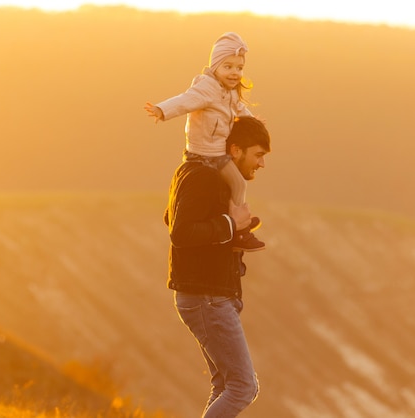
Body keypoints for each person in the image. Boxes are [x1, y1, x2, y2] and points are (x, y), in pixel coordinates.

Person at [164, 116, 271, 418]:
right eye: (258, 155)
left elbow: (170, 217)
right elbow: (180, 232)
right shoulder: (203, 176)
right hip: (207, 297)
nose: (261, 164)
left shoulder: (201, 175)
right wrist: (229, 223)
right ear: (235, 150)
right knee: (243, 387)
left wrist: (231, 228)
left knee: (225, 384)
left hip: (209, 296)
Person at [146, 32, 265, 252]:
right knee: (237, 183)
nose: (234, 73)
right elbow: (185, 101)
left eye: (239, 68)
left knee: (231, 185)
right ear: (215, 67)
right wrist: (162, 110)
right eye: (227, 67)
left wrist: (253, 121)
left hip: (219, 153)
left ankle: (235, 223)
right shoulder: (206, 88)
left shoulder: (230, 93)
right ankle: (238, 228)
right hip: (204, 154)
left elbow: (240, 110)